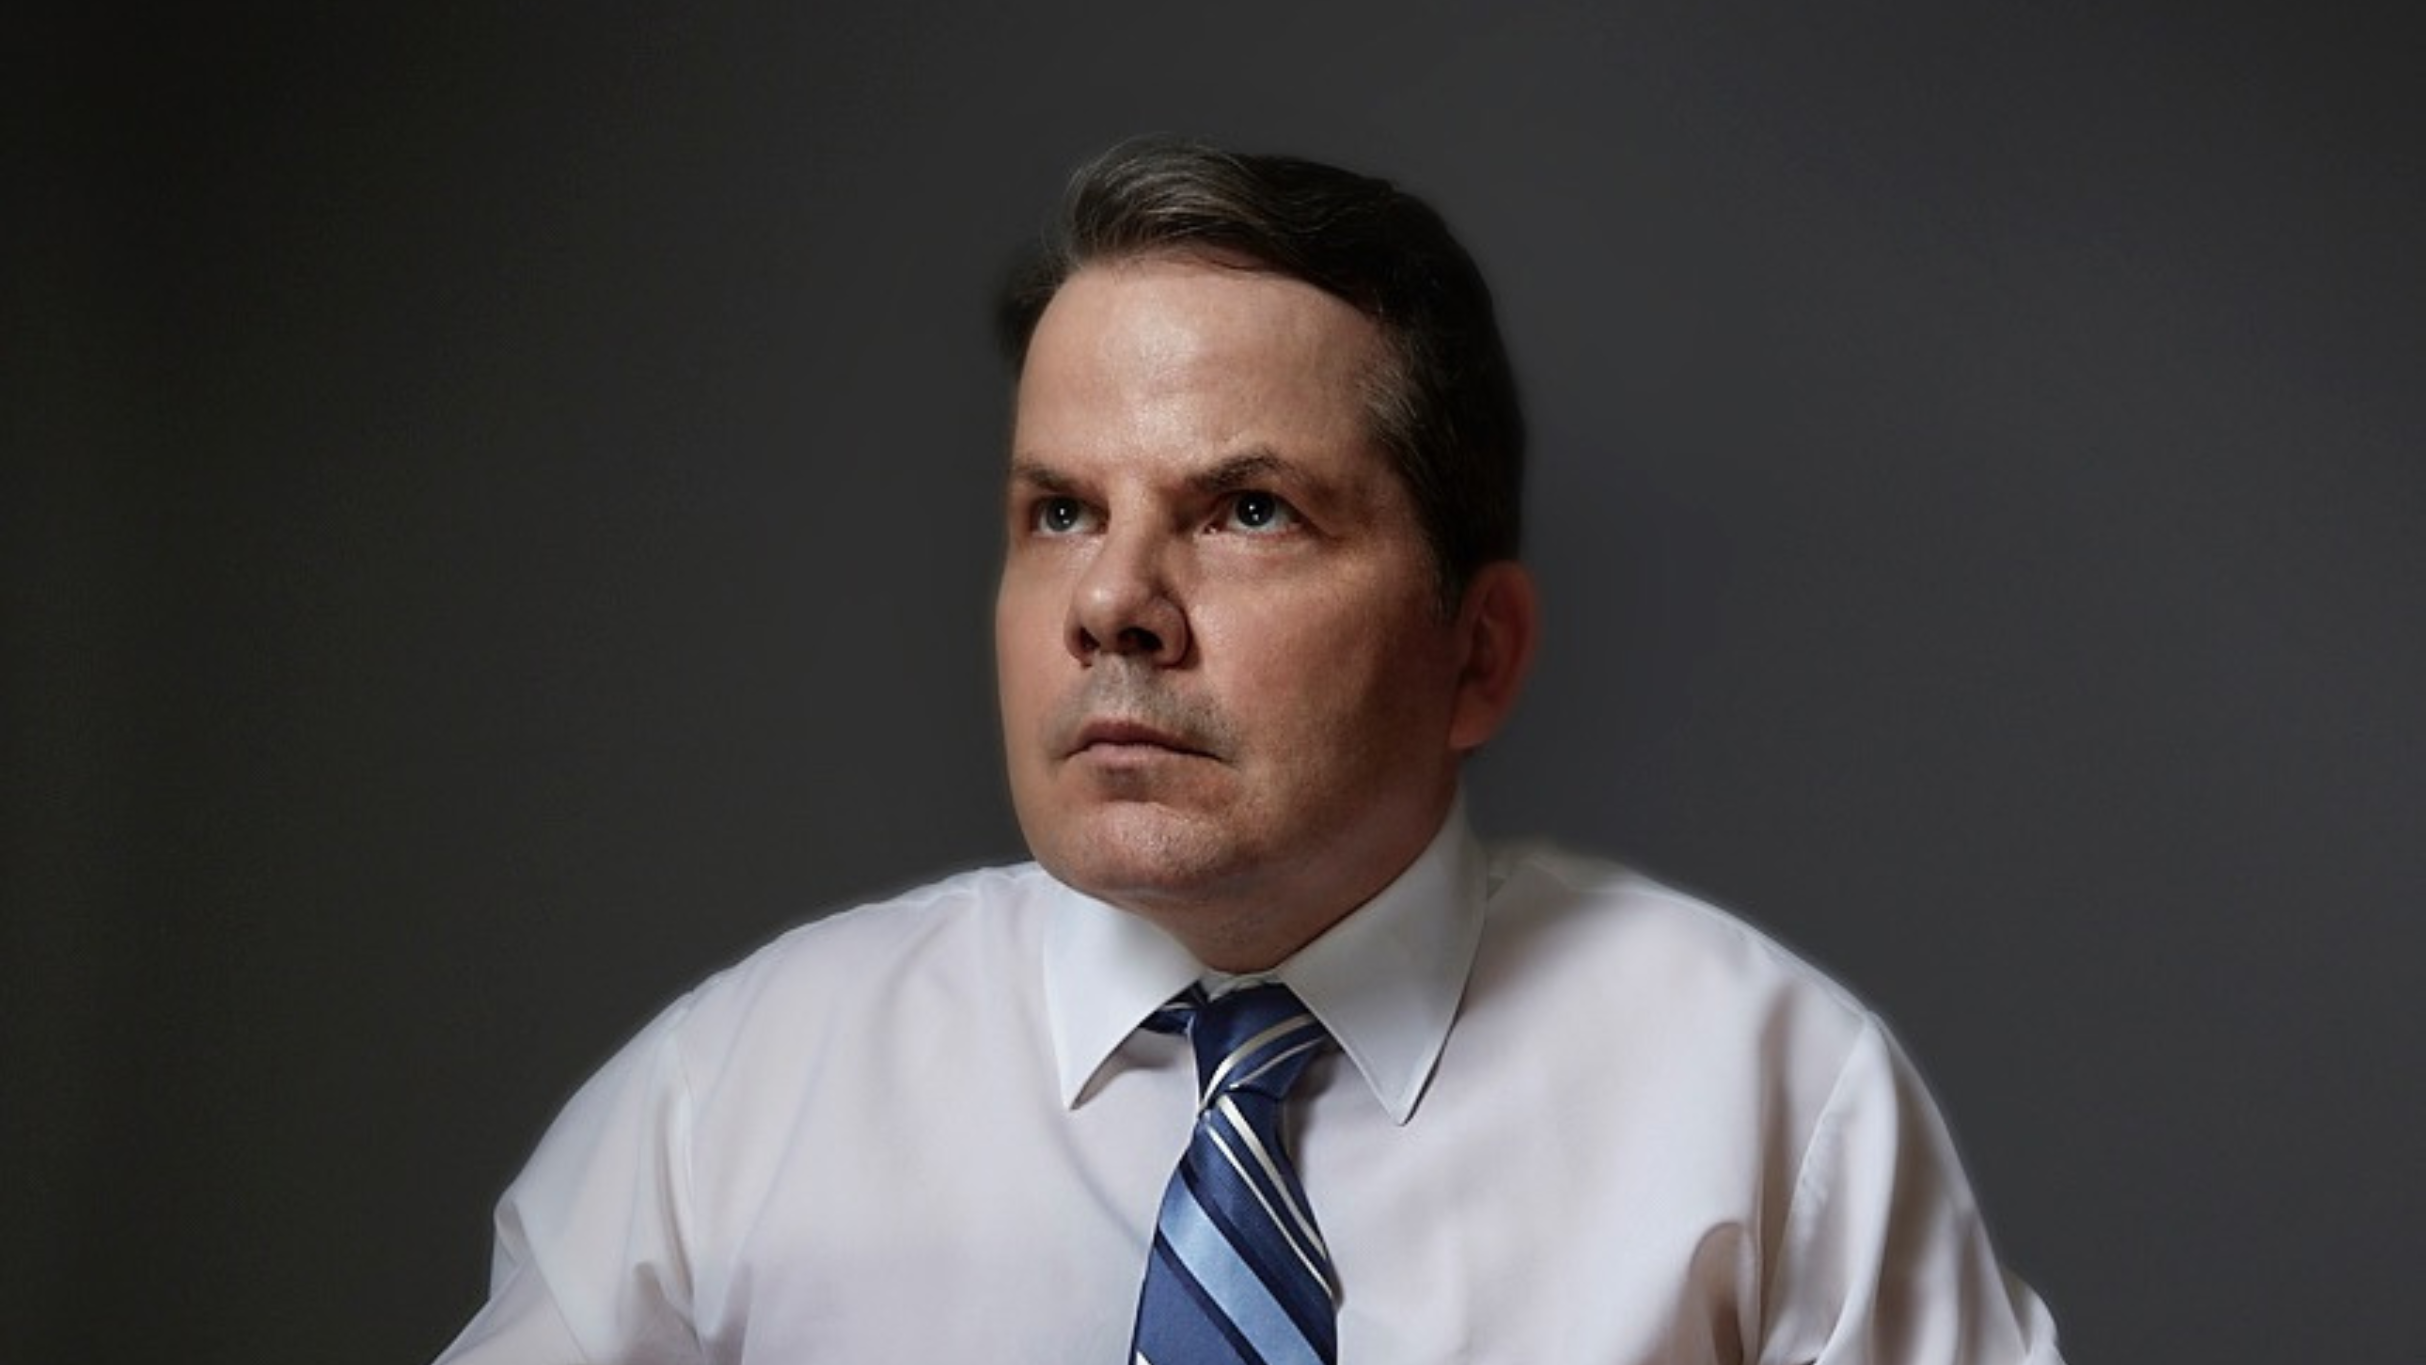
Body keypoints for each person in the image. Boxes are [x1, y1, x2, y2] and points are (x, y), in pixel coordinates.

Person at [432, 137, 2063, 1364]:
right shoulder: (730, 1108)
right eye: (1059, 512)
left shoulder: (1765, 1102)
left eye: (1247, 510)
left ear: (1476, 653)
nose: (1111, 604)